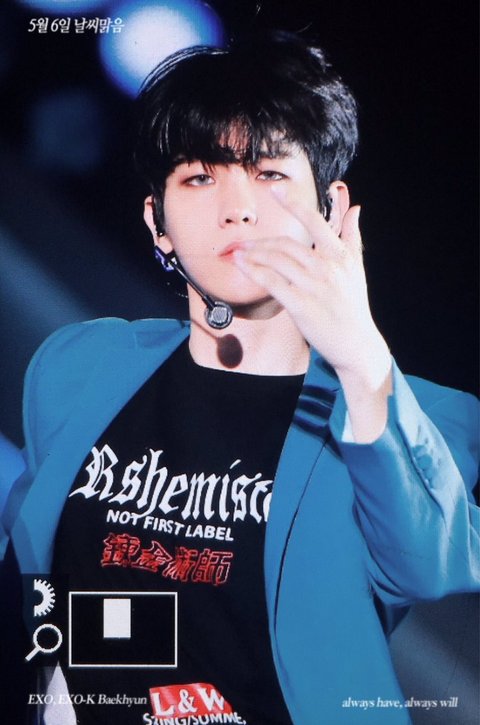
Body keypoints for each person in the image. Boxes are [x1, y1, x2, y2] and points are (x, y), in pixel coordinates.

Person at [2, 31, 478, 725]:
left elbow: (426, 566)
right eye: (200, 177)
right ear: (157, 222)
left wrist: (359, 356)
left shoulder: (408, 417)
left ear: (330, 209)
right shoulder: (83, 367)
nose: (237, 207)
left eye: (269, 173)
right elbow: (30, 588)